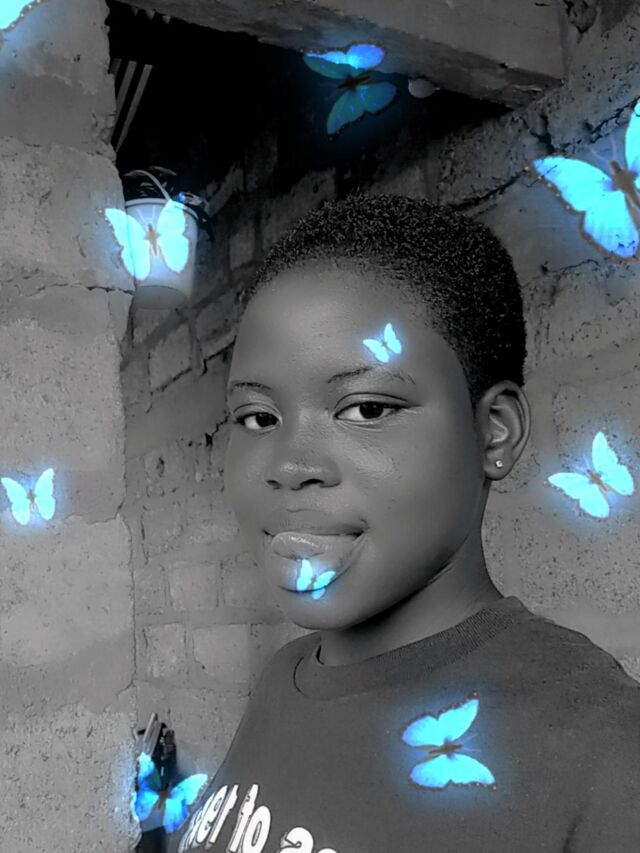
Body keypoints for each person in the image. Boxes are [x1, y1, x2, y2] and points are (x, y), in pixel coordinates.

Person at [172, 195, 640, 852]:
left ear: (494, 431)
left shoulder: (604, 758)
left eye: (366, 408)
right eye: (258, 418)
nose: (289, 466)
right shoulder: (287, 677)